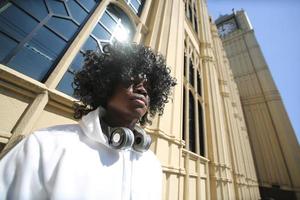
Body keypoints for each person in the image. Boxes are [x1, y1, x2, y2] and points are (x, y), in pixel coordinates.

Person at [0, 43, 176, 200]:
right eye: (131, 80)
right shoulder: (44, 145)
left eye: (148, 87)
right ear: (106, 86)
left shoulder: (152, 164)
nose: (142, 90)